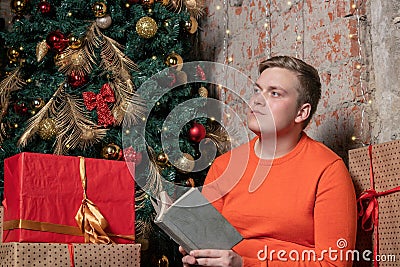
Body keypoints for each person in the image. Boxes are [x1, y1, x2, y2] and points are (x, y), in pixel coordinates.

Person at [180, 55, 357, 266]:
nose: (256, 100)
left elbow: (335, 264)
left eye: (274, 93)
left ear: (301, 112)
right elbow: (208, 244)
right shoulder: (224, 166)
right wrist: (197, 256)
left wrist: (244, 264)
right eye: (257, 90)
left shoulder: (328, 170)